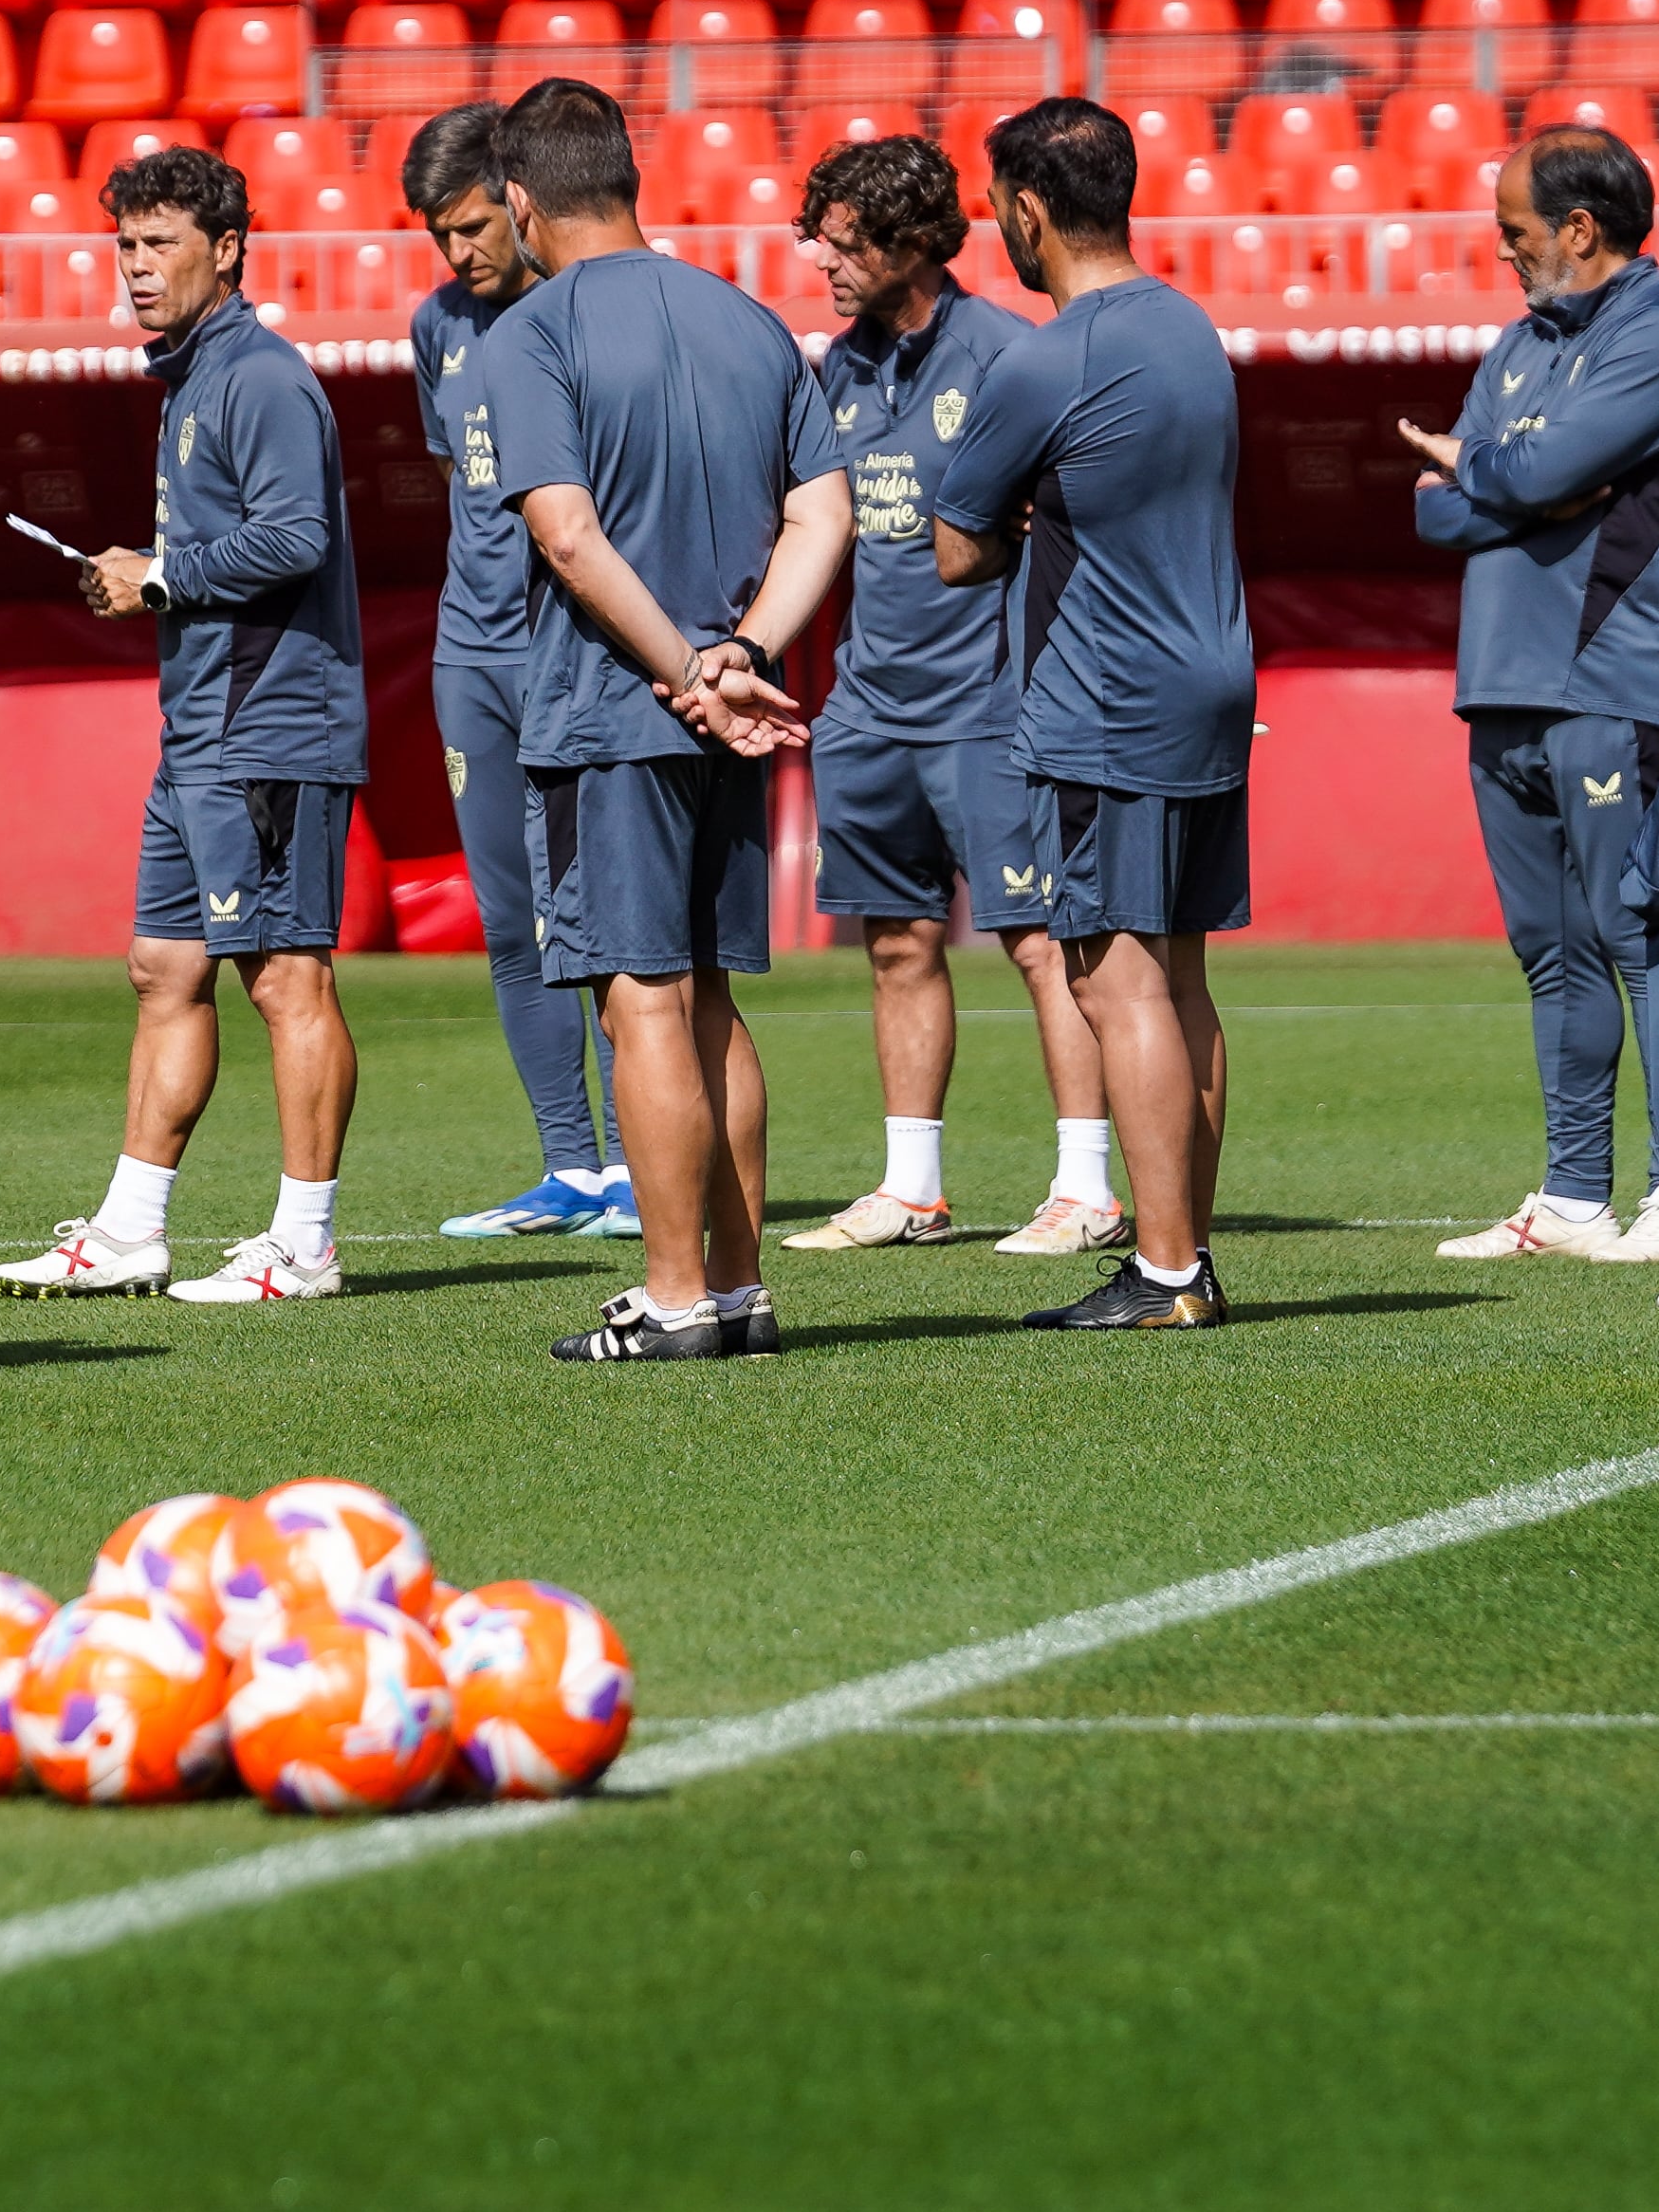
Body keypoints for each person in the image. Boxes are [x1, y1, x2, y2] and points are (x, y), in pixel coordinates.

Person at [470, 78, 850, 1363]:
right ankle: (736, 1290)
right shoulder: (748, 320)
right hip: (726, 712)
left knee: (640, 1002)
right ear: (623, 179)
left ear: (519, 203)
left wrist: (684, 663)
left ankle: (676, 1296)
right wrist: (740, 653)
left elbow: (564, 535)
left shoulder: (523, 337)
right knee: (708, 1006)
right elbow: (824, 513)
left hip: (607, 712)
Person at [0, 143, 369, 1307]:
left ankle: (304, 1243)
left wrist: (158, 575)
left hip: (269, 727)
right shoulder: (193, 378)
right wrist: (155, 578)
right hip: (199, 727)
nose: (138, 267)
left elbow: (297, 535)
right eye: (125, 244)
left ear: (227, 250)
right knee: (164, 968)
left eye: (160, 244)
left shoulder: (258, 377)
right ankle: (128, 1230)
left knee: (283, 978)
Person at [929, 96, 1257, 1333]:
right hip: (1207, 673)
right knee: (1176, 978)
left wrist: (1012, 514)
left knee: (1112, 979)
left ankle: (1164, 1271)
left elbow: (957, 549)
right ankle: (1191, 1256)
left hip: (1109, 694)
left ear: (1025, 210)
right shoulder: (1188, 329)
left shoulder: (1042, 355)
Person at [776, 132, 1128, 1262]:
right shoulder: (833, 368)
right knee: (895, 942)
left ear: (915, 242)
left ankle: (1085, 1185)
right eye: (817, 244)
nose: (822, 267)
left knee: (1039, 943)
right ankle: (911, 1187)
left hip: (990, 699)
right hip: (871, 703)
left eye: (842, 246)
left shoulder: (1005, 354)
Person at [1392, 126, 1659, 1267]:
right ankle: (1573, 1194)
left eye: (1515, 232)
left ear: (1578, 230)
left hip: (1610, 679)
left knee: (1642, 933)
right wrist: (1514, 483)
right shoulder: (1519, 341)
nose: (1503, 252)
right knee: (1552, 951)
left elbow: (1508, 472)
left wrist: (1493, 470)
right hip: (1499, 684)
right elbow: (1439, 510)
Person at [401, 103, 624, 1241]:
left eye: (476, 226)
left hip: (568, 651)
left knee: (607, 915)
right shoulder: (434, 323)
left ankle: (639, 1164)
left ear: (520, 199)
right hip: (469, 655)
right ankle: (570, 1169)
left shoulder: (584, 314)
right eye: (440, 236)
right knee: (511, 918)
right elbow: (460, 473)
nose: (460, 255)